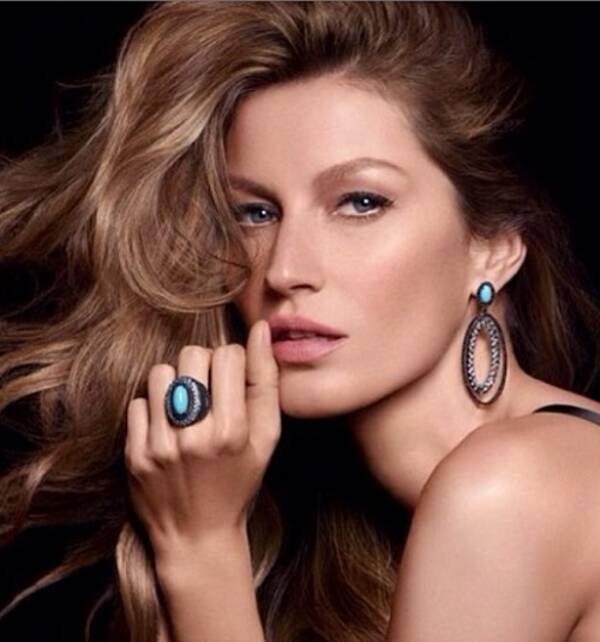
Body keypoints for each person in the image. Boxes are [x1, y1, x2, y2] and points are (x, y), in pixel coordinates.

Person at [1, 1, 599, 641]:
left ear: (493, 246)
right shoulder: (386, 525)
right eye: (255, 213)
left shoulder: (510, 487)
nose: (284, 270)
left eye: (360, 202)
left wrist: (200, 548)